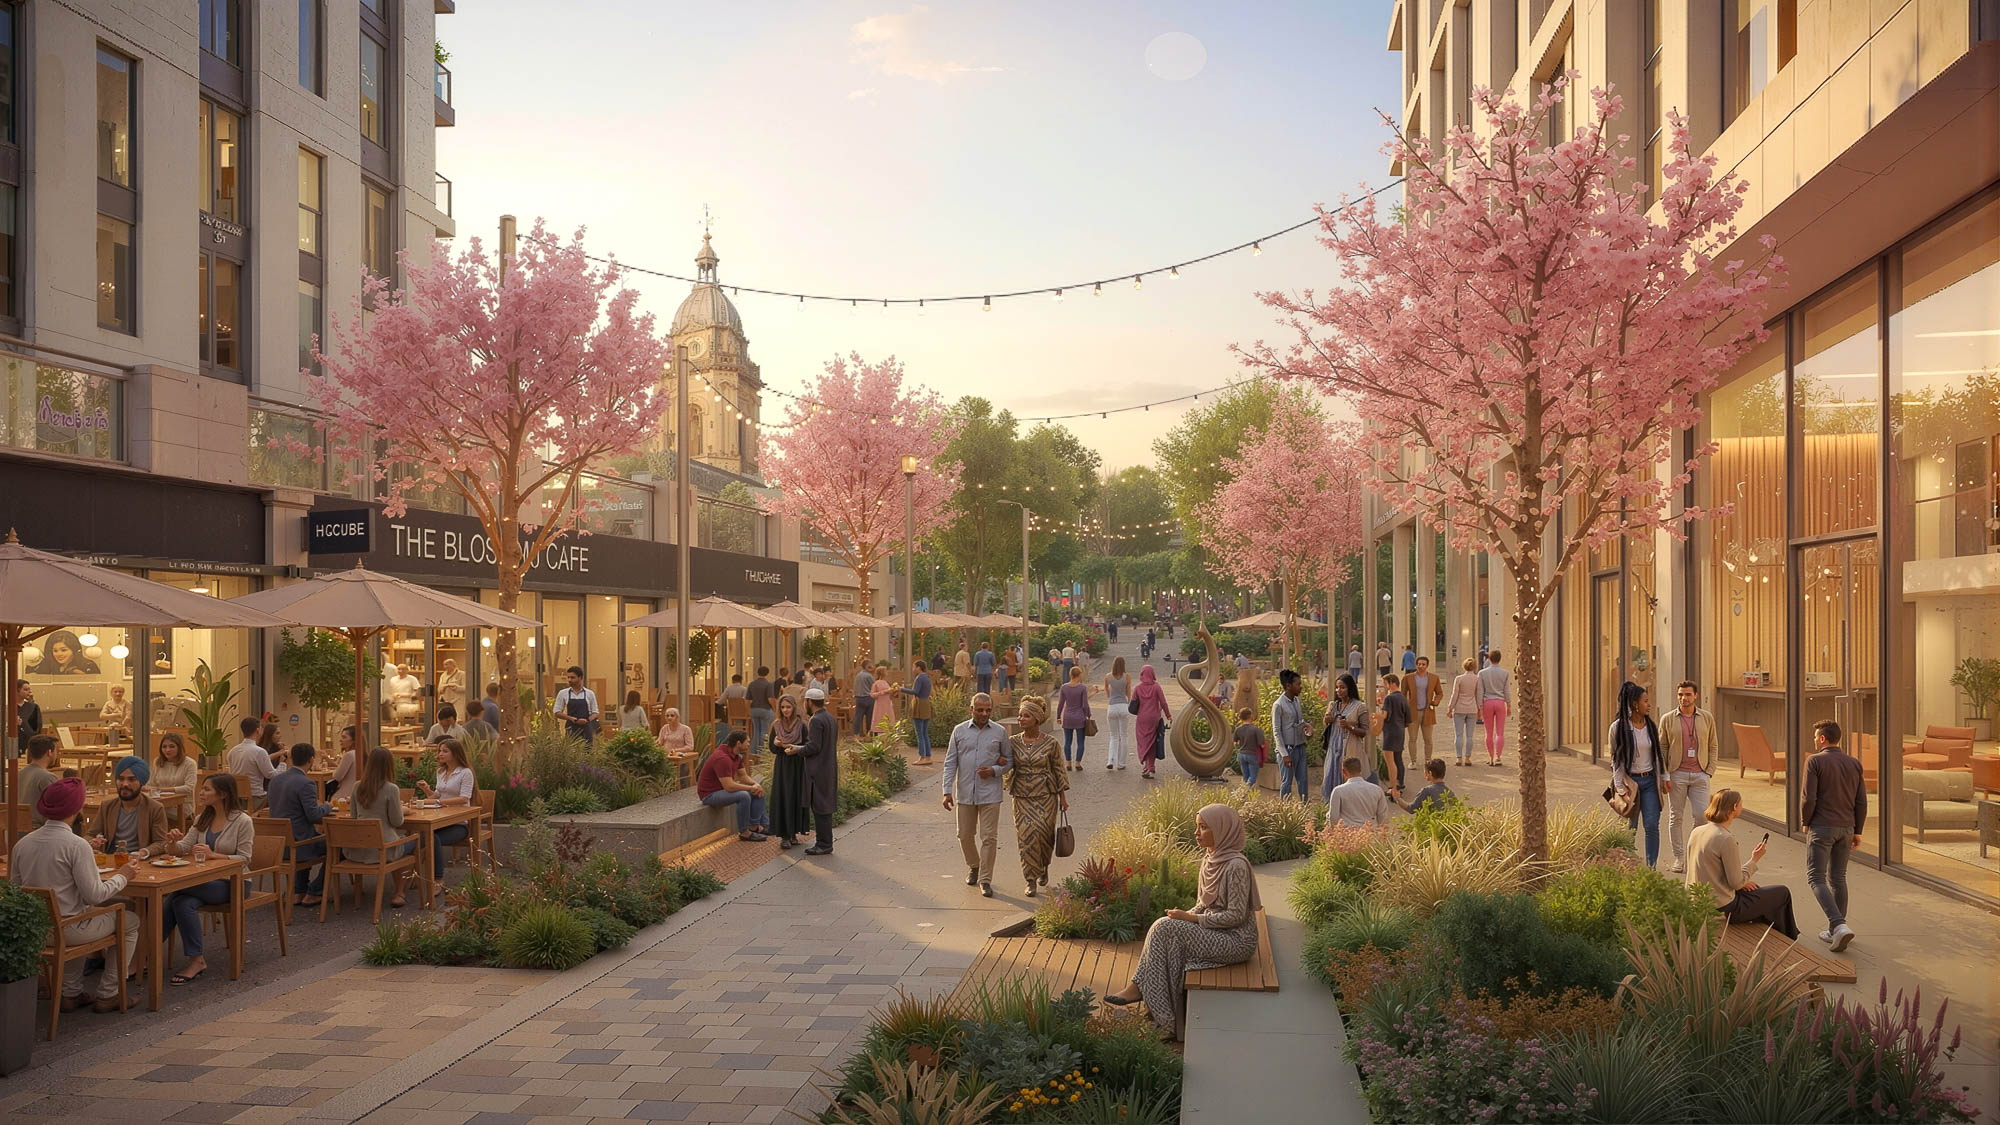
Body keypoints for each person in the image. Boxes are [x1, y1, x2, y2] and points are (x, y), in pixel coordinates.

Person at [1104, 804, 1260, 1040]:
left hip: (1236, 941)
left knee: (1165, 929)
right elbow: (1202, 904)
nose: (1197, 833)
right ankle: (1161, 1014)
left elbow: (1236, 916)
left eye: (1204, 827)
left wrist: (1191, 919)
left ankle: (1146, 996)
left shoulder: (1236, 866)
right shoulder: (1210, 858)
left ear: (1222, 830)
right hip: (1216, 932)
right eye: (1197, 827)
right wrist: (1183, 915)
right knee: (1165, 927)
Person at [9, 777, 139, 1013]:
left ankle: (71, 992)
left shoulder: (22, 844)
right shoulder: (76, 845)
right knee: (129, 920)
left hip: (35, 930)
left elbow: (15, 892)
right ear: (77, 808)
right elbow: (95, 895)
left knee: (78, 911)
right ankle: (109, 993)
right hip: (68, 929)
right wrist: (123, 876)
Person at [159, 773, 256, 984]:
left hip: (234, 882)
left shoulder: (243, 821)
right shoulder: (202, 818)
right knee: (181, 902)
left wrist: (213, 855)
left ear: (222, 794)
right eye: (202, 788)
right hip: (203, 882)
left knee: (176, 890)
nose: (201, 793)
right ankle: (197, 960)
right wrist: (172, 842)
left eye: (207, 789)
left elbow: (245, 858)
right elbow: (183, 848)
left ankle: (147, 952)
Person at [1686, 789, 1799, 939]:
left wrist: (1744, 881)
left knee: (1755, 889)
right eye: (1740, 804)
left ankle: (1782, 935)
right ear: (1734, 807)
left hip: (1697, 900)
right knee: (1782, 893)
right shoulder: (1725, 838)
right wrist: (1754, 859)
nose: (1742, 807)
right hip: (1724, 906)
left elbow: (1714, 870)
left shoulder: (1697, 831)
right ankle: (1789, 937)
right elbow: (1736, 883)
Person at [1800, 719, 1865, 951]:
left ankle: (1838, 925)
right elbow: (1861, 801)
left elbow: (1809, 798)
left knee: (1816, 877)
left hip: (1822, 827)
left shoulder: (1814, 761)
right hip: (1846, 828)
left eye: (1815, 737)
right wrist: (1857, 830)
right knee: (1838, 878)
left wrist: (1805, 822)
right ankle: (1835, 930)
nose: (1814, 740)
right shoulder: (1854, 763)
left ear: (1822, 739)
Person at [943, 692, 1010, 897]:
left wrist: (994, 771)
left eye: (988, 710)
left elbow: (1009, 760)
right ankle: (974, 865)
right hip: (965, 793)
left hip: (990, 794)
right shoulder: (959, 731)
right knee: (964, 835)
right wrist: (946, 791)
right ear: (971, 709)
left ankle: (985, 880)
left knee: (989, 837)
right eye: (979, 710)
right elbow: (950, 762)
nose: (984, 714)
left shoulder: (999, 732)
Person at [1006, 695, 1069, 898]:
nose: (1021, 719)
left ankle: (1044, 866)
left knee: (1044, 836)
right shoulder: (1012, 742)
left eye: (1026, 716)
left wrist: (1063, 798)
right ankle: (1030, 880)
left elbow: (1059, 769)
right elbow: (1006, 765)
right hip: (1022, 796)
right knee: (1026, 838)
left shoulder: (1051, 743)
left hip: (1046, 796)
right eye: (1020, 715)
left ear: (1036, 719)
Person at [341, 748, 416, 910]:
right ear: (389, 766)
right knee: (414, 842)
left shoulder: (357, 786)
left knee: (397, 844)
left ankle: (399, 889)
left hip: (356, 850)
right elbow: (396, 821)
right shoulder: (391, 788)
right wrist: (403, 810)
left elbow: (353, 816)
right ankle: (400, 892)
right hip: (383, 850)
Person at [1658, 680, 1719, 875]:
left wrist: (1709, 770)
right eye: (1680, 695)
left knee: (1702, 815)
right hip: (1677, 774)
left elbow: (1713, 745)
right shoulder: (1667, 719)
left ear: (1696, 696)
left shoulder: (1706, 717)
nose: (1683, 698)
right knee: (1676, 817)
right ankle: (1679, 857)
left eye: (1688, 694)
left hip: (1700, 774)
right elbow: (1662, 748)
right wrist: (1665, 775)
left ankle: (1694, 853)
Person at [267, 743, 333, 905]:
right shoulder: (306, 783)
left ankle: (298, 890)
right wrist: (328, 806)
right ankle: (315, 890)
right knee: (337, 847)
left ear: (291, 758)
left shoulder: (275, 780)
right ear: (311, 760)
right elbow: (314, 816)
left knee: (304, 834)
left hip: (279, 843)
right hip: (300, 844)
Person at [1609, 680, 1665, 867]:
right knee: (1629, 828)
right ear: (1635, 704)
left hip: (1649, 782)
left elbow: (1658, 755)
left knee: (1651, 825)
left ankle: (1651, 868)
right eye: (1645, 701)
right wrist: (1619, 787)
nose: (1649, 705)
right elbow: (1615, 759)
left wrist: (1664, 778)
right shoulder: (1618, 728)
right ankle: (1627, 866)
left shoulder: (1651, 726)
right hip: (1629, 783)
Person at [415, 738, 476, 878]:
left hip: (458, 824)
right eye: (439, 751)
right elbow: (437, 795)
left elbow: (464, 798)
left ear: (455, 753)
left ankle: (437, 879)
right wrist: (426, 790)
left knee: (431, 838)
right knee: (423, 836)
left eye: (445, 751)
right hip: (440, 820)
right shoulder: (441, 772)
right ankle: (413, 874)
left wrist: (439, 801)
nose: (440, 754)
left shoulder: (465, 772)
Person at [86, 755, 170, 855]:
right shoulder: (107, 806)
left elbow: (161, 842)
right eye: (121, 779)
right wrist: (92, 842)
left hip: (140, 860)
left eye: (132, 779)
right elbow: (90, 835)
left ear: (141, 783)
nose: (125, 784)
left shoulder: (155, 808)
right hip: (111, 858)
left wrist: (144, 852)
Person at [698, 730, 770, 842]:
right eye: (747, 742)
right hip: (709, 795)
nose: (749, 744)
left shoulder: (736, 756)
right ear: (738, 743)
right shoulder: (722, 758)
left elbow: (743, 776)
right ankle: (744, 832)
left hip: (722, 791)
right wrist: (751, 788)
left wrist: (755, 785)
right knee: (744, 796)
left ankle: (756, 826)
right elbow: (729, 786)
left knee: (758, 790)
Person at [766, 695, 812, 849]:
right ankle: (784, 836)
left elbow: (807, 746)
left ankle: (793, 833)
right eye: (782, 707)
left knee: (795, 797)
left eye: (788, 707)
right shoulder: (776, 725)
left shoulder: (801, 725)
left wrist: (795, 750)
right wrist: (776, 744)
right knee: (784, 797)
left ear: (793, 708)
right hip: (783, 766)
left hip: (797, 765)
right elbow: (772, 749)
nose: (785, 710)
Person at [800, 688, 840, 855]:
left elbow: (814, 746)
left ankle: (823, 843)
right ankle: (826, 842)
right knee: (825, 806)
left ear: (809, 702)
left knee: (819, 807)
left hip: (818, 769)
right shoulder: (830, 717)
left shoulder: (815, 720)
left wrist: (797, 749)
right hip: (829, 767)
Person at [1324, 674, 1369, 802]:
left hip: (1350, 749)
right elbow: (1326, 722)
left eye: (1342, 687)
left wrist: (1349, 727)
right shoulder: (1333, 705)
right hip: (1333, 749)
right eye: (1337, 687)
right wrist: (1327, 719)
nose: (1339, 690)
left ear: (1350, 688)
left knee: (1348, 778)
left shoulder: (1360, 706)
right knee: (1331, 776)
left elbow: (1364, 732)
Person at [1326, 756, 1394, 829]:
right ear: (1360, 770)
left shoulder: (1338, 791)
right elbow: (1383, 816)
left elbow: (1334, 818)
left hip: (1347, 832)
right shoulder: (1377, 790)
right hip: (1369, 831)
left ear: (1343, 772)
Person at [1272, 669, 1308, 801]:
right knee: (1287, 782)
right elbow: (1276, 731)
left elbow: (1298, 722)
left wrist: (1306, 727)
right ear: (1288, 686)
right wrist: (1284, 754)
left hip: (1300, 747)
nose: (1301, 687)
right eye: (1298, 684)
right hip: (1288, 749)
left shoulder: (1296, 701)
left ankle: (1304, 806)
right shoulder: (1278, 705)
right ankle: (1285, 809)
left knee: (1303, 780)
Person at [226, 715, 277, 800]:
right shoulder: (259, 751)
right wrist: (283, 764)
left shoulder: (232, 751)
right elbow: (271, 775)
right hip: (256, 797)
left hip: (236, 798)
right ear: (258, 730)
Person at [1132, 664, 1169, 780]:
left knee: (1143, 741)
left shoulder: (1137, 688)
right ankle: (1150, 766)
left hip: (1142, 718)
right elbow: (1163, 702)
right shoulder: (1156, 687)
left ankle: (1146, 764)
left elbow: (1133, 703)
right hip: (1154, 717)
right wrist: (1168, 715)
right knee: (1152, 741)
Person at [152, 731, 198, 822]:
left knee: (152, 812)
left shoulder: (190, 763)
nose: (167, 750)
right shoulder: (157, 762)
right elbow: (151, 784)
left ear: (179, 748)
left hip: (182, 806)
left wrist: (163, 790)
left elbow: (189, 787)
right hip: (161, 802)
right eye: (164, 747)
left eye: (172, 746)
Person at [1378, 674, 1412, 796]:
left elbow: (1384, 716)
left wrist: (1378, 712)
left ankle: (1393, 786)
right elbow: (1408, 719)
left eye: (1385, 683)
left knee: (1390, 761)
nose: (1384, 686)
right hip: (1400, 731)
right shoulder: (1403, 697)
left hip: (1390, 731)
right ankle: (1400, 782)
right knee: (1398, 759)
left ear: (1392, 683)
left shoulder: (1389, 698)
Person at [1403, 656, 1442, 762]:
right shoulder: (1408, 678)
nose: (1421, 666)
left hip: (1427, 712)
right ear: (1416, 665)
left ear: (1427, 666)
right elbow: (1403, 693)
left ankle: (1428, 760)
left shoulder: (1434, 678)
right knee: (1412, 738)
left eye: (1423, 664)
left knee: (1428, 739)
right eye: (1419, 664)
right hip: (1413, 712)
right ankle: (1413, 761)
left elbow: (1439, 693)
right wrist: (1405, 707)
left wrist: (1436, 701)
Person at [1478, 649, 1512, 766]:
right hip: (1500, 702)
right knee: (1500, 732)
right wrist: (1509, 704)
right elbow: (1506, 690)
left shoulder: (1482, 673)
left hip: (1487, 702)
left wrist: (1480, 707)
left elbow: (1480, 691)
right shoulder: (1505, 673)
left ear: (1489, 659)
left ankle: (1491, 757)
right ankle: (1498, 757)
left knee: (1488, 733)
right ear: (1500, 659)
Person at [1057, 666, 1092, 771]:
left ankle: (1068, 763)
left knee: (1067, 741)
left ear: (1070, 675)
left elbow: (1061, 703)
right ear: (1079, 675)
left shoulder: (1064, 687)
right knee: (1080, 741)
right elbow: (1085, 704)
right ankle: (1077, 763)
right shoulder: (1082, 688)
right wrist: (1088, 714)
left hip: (1067, 717)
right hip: (1079, 717)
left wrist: (1058, 716)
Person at [551, 666, 599, 744]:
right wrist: (571, 719)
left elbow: (595, 712)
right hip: (571, 729)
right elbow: (557, 712)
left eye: (573, 677)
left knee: (587, 749)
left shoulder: (590, 694)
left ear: (581, 678)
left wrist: (587, 720)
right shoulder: (563, 693)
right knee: (571, 749)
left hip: (586, 729)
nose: (569, 680)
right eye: (568, 677)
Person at [1447, 657, 1481, 766]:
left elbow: (1455, 695)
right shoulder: (1477, 679)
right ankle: (1467, 758)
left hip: (1459, 708)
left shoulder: (1459, 679)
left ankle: (1459, 758)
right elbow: (1478, 695)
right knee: (1470, 736)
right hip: (1472, 708)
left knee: (1459, 735)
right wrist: (1479, 709)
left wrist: (1450, 708)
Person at [20, 733, 60, 827]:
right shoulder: (47, 777)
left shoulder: (19, 773)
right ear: (49, 752)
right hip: (38, 829)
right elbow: (57, 807)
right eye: (56, 751)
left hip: (18, 827)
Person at [1104, 657, 1133, 771]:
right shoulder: (1127, 676)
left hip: (1112, 705)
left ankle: (1110, 760)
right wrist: (1128, 702)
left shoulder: (1108, 676)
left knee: (1113, 736)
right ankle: (1121, 763)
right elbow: (1128, 691)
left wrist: (1109, 696)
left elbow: (1106, 688)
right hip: (1123, 705)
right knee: (1124, 735)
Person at [902, 662, 935, 763]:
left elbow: (915, 691)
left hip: (919, 704)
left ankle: (922, 757)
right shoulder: (927, 677)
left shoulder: (919, 678)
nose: (913, 669)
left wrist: (901, 689)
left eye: (914, 667)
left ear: (918, 668)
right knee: (924, 733)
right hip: (926, 703)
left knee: (919, 733)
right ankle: (928, 756)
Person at [32, 630, 101, 675]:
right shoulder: (45, 666)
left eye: (64, 650)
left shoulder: (88, 666)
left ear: (74, 650)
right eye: (55, 651)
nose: (59, 654)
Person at [1232, 708, 1267, 789]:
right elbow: (1262, 744)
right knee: (1252, 777)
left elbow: (1235, 743)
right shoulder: (1256, 729)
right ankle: (1242, 791)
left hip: (1241, 754)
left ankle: (1244, 793)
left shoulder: (1238, 729)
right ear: (1250, 716)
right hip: (1252, 754)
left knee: (1245, 777)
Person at [747, 666, 777, 756]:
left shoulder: (752, 684)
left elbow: (747, 700)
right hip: (765, 709)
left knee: (756, 731)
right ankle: (762, 752)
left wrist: (748, 710)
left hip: (754, 709)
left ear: (758, 673)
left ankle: (753, 751)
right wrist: (775, 709)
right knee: (764, 731)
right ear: (767, 673)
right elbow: (770, 699)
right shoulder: (768, 684)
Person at [326, 725, 360, 800]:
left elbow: (337, 776)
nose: (340, 740)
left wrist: (334, 771)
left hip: (344, 796)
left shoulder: (349, 755)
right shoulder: (360, 753)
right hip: (355, 793)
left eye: (344, 737)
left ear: (353, 740)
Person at [16, 679, 42, 752]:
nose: (29, 692)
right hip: (15, 744)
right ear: (17, 691)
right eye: (25, 689)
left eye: (29, 689)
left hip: (30, 744)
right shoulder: (9, 708)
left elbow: (38, 727)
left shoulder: (33, 707)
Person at [852, 661, 876, 736]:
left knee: (858, 717)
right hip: (868, 698)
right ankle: (869, 733)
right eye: (871, 665)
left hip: (859, 698)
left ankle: (857, 733)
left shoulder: (858, 675)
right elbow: (874, 686)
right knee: (869, 717)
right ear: (867, 666)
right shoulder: (869, 676)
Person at [869, 663, 895, 729]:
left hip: (887, 703)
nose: (887, 672)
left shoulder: (885, 682)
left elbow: (889, 692)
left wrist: (893, 691)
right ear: (882, 673)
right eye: (885, 671)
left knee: (888, 717)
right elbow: (872, 694)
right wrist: (883, 692)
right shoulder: (876, 683)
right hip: (880, 704)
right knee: (880, 717)